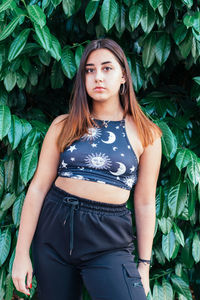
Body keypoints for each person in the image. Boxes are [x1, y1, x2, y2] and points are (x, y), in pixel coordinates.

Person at [12, 38, 162, 300]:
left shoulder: (146, 134)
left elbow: (146, 202)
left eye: (107, 68)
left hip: (108, 240)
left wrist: (144, 265)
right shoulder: (63, 125)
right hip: (54, 232)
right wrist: (21, 254)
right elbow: (37, 189)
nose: (97, 77)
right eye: (89, 70)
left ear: (124, 75)